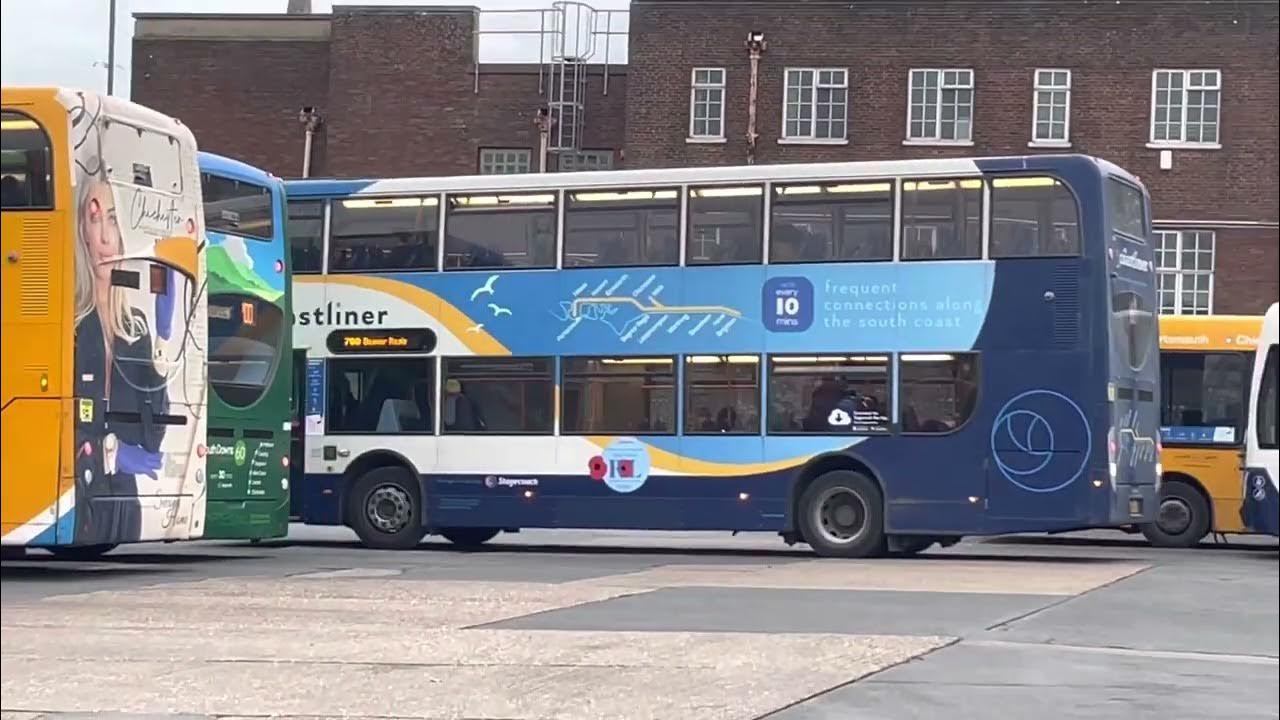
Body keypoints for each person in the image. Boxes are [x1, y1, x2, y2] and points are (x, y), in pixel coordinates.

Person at [72, 173, 171, 545]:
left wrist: (162, 345)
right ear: (80, 232)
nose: (105, 237)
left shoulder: (136, 327)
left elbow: (152, 433)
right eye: (94, 219)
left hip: (124, 506)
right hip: (81, 498)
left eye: (111, 218)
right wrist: (109, 451)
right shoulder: (72, 323)